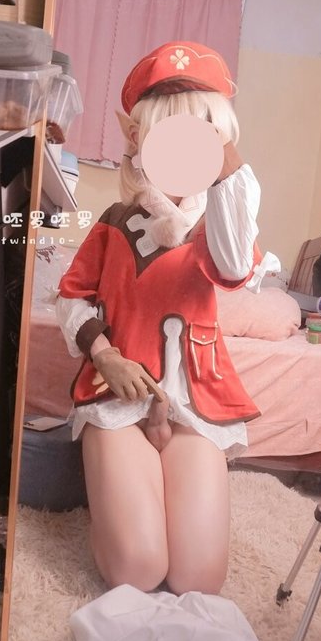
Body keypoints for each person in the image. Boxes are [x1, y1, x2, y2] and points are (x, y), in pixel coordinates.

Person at [56, 41, 269, 596]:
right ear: (138, 140)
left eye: (200, 134)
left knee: (198, 580)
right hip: (117, 397)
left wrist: (227, 169)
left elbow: (233, 266)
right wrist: (104, 354)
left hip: (196, 401)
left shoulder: (221, 221)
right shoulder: (113, 222)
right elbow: (70, 296)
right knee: (139, 568)